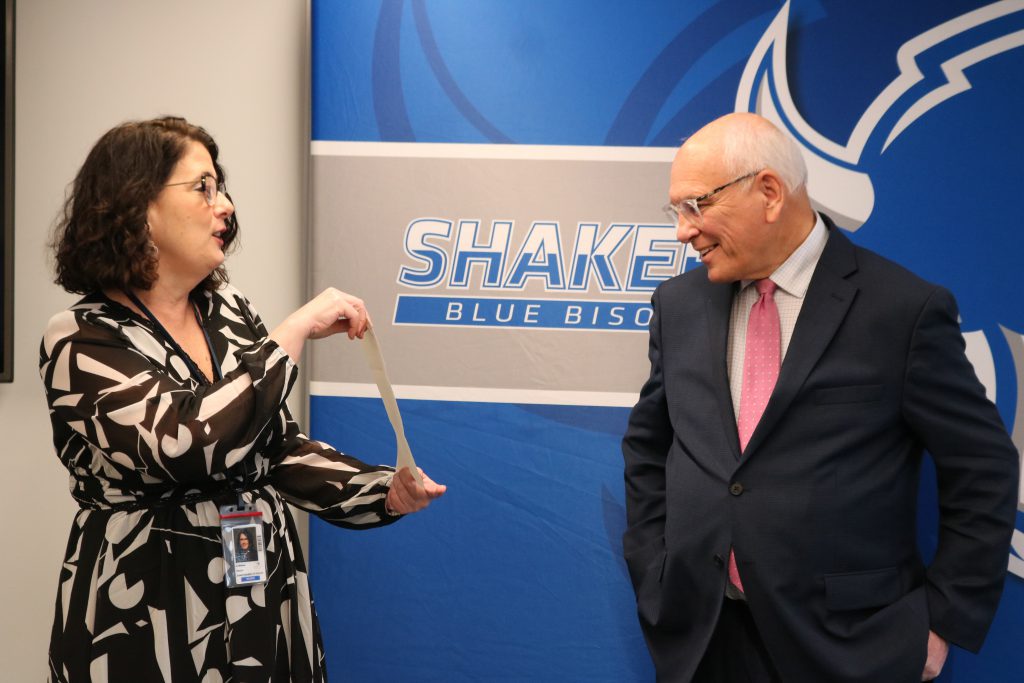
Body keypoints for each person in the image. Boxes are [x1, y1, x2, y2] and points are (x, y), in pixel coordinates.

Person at [41, 116, 446, 682]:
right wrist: (294, 331)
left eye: (221, 185)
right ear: (137, 205)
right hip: (144, 611)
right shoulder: (81, 338)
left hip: (258, 599)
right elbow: (186, 445)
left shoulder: (229, 313)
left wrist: (380, 492)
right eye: (203, 187)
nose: (225, 204)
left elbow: (273, 450)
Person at [621, 112, 1019, 682]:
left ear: (768, 192)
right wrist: (656, 573)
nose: (684, 230)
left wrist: (943, 622)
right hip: (702, 641)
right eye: (678, 210)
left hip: (850, 649)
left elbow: (982, 467)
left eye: (697, 205)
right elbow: (649, 448)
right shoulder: (678, 305)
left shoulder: (902, 311)